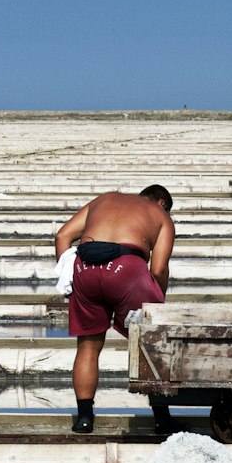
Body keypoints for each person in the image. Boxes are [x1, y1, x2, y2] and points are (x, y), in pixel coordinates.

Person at [54, 186, 175, 434]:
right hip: (127, 267)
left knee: (88, 345)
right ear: (161, 202)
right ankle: (162, 418)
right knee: (150, 344)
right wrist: (156, 304)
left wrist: (67, 274)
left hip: (84, 267)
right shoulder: (161, 216)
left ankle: (84, 418)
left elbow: (62, 236)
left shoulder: (104, 198)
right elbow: (159, 270)